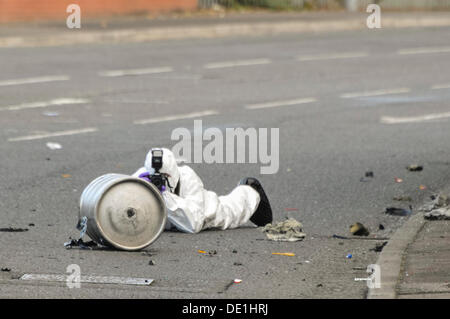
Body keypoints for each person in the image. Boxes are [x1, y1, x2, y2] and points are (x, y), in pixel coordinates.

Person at [132, 148, 273, 234]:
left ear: (173, 171)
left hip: (205, 212)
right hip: (171, 220)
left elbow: (193, 224)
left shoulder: (187, 177)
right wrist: (139, 190)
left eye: (165, 177)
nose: (159, 180)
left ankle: (250, 190)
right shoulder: (140, 178)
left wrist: (164, 195)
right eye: (155, 177)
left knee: (230, 211)